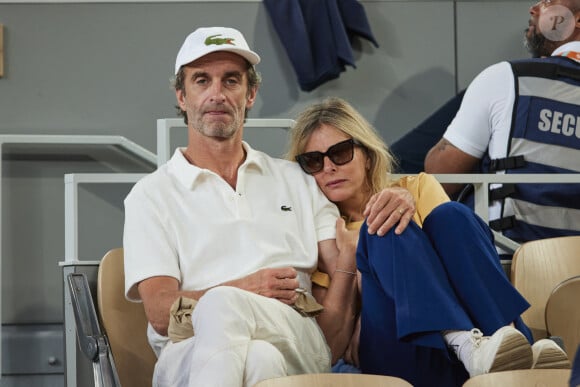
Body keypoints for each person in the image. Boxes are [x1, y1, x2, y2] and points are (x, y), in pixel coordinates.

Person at [122, 27, 414, 387]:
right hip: (188, 350)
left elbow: (343, 261)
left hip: (295, 335)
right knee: (257, 354)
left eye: (231, 81)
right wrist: (247, 288)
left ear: (250, 94)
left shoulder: (296, 178)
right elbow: (160, 312)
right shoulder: (151, 195)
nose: (217, 93)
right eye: (202, 81)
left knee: (227, 310)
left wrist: (400, 195)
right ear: (182, 97)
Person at [286, 97, 570, 387]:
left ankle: (506, 343)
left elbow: (460, 261)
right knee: (381, 229)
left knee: (451, 215)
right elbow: (332, 348)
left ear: (367, 154)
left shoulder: (417, 188)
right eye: (313, 161)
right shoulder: (319, 234)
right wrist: (349, 258)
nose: (328, 167)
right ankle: (473, 344)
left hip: (472, 353)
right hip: (403, 353)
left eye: (341, 152)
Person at [425, 0, 580, 250]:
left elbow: (440, 175)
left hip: (506, 261)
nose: (534, 9)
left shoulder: (507, 77)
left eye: (548, 2)